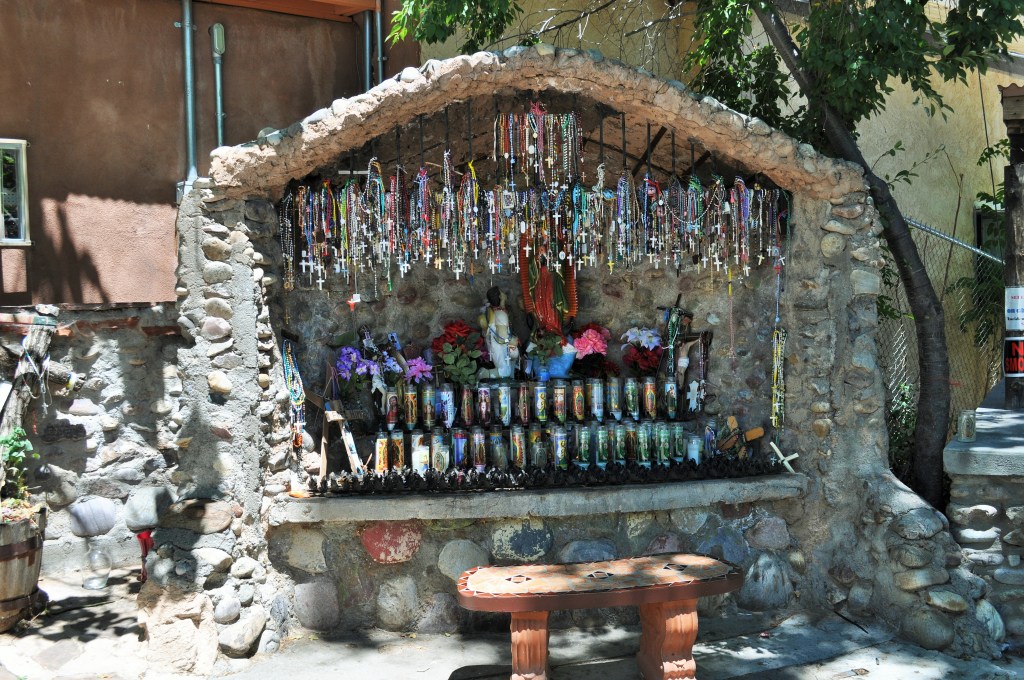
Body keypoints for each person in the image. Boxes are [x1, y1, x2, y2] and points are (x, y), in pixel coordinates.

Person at [479, 287, 519, 379]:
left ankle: (510, 380)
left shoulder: (494, 311)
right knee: (504, 371)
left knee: (510, 365)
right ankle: (482, 374)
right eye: (502, 292)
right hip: (499, 345)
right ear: (501, 296)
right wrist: (512, 340)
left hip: (495, 343)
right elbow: (502, 337)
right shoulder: (500, 314)